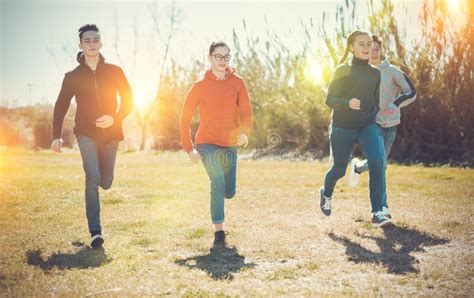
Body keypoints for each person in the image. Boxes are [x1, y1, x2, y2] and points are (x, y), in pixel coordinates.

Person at [51, 24, 134, 248]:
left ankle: (101, 175)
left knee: (106, 181)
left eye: (96, 40)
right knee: (92, 178)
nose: (92, 44)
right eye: (87, 40)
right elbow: (60, 106)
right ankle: (96, 232)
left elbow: (129, 100)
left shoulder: (115, 71)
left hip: (112, 134)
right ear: (80, 45)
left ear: (101, 43)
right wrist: (56, 136)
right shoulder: (73, 76)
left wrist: (114, 118)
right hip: (86, 133)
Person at [180, 41, 253, 247]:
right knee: (218, 182)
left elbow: (247, 112)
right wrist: (189, 148)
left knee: (229, 191)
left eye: (226, 56)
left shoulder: (237, 83)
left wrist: (245, 133)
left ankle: (223, 207)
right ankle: (219, 233)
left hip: (230, 143)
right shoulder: (200, 87)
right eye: (218, 56)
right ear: (210, 57)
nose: (222, 60)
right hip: (207, 142)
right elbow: (184, 118)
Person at [320, 30, 391, 227]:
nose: (367, 48)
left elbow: (375, 102)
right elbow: (329, 99)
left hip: (367, 126)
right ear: (352, 47)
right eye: (361, 44)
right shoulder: (343, 69)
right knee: (339, 169)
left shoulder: (375, 73)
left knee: (378, 162)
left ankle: (378, 212)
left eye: (369, 44)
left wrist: (371, 117)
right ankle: (326, 194)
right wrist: (347, 103)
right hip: (343, 127)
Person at [348, 35, 417, 220]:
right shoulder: (362, 72)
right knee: (380, 165)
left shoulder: (392, 71)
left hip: (391, 125)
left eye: (377, 48)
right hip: (371, 125)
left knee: (380, 164)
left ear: (381, 50)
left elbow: (411, 92)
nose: (373, 51)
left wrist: (394, 105)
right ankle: (381, 209)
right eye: (370, 48)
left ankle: (358, 167)